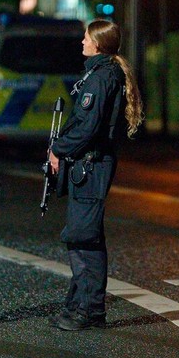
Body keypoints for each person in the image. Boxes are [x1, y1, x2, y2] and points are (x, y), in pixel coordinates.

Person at [48, 19, 143, 331]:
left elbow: (88, 128)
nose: (82, 42)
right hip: (89, 164)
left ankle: (89, 311)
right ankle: (78, 305)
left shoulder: (101, 77)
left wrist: (58, 149)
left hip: (91, 165)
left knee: (84, 237)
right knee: (82, 235)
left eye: (86, 38)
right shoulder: (102, 73)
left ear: (98, 43)